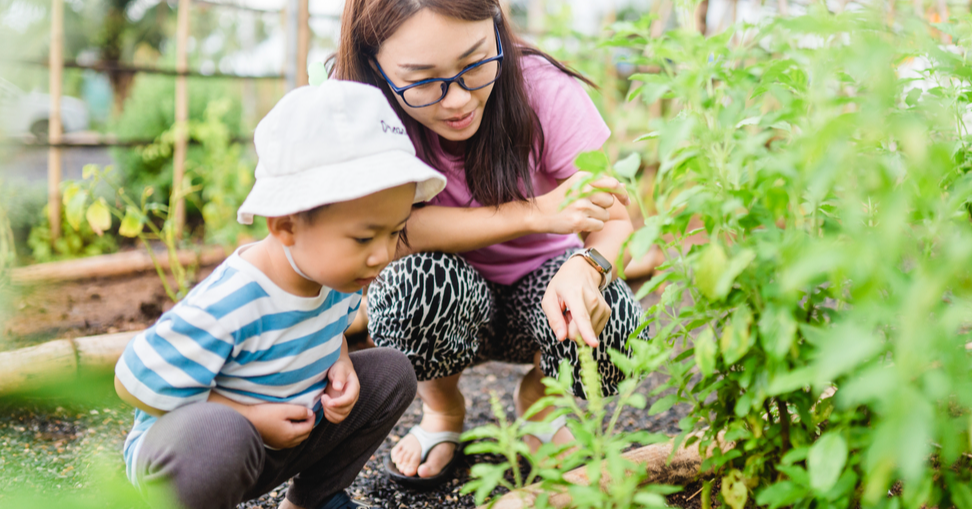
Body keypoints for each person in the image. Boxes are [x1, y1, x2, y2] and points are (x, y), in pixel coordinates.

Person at [334, 0, 652, 488]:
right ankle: (442, 412)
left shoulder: (540, 88)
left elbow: (615, 215)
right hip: (451, 301)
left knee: (615, 323)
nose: (458, 99)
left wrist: (587, 266)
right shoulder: (363, 112)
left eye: (475, 63)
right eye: (422, 80)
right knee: (406, 291)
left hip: (544, 292)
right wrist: (534, 212)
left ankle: (541, 402)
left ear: (497, 27)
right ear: (374, 65)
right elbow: (388, 233)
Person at [112, 80, 447, 509]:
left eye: (395, 232)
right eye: (364, 238)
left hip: (285, 434)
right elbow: (132, 382)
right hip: (193, 460)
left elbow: (332, 331)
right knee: (219, 435)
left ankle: (312, 500)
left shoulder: (338, 276)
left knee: (392, 373)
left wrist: (340, 361)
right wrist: (248, 418)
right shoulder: (234, 299)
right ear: (286, 224)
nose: (382, 255)